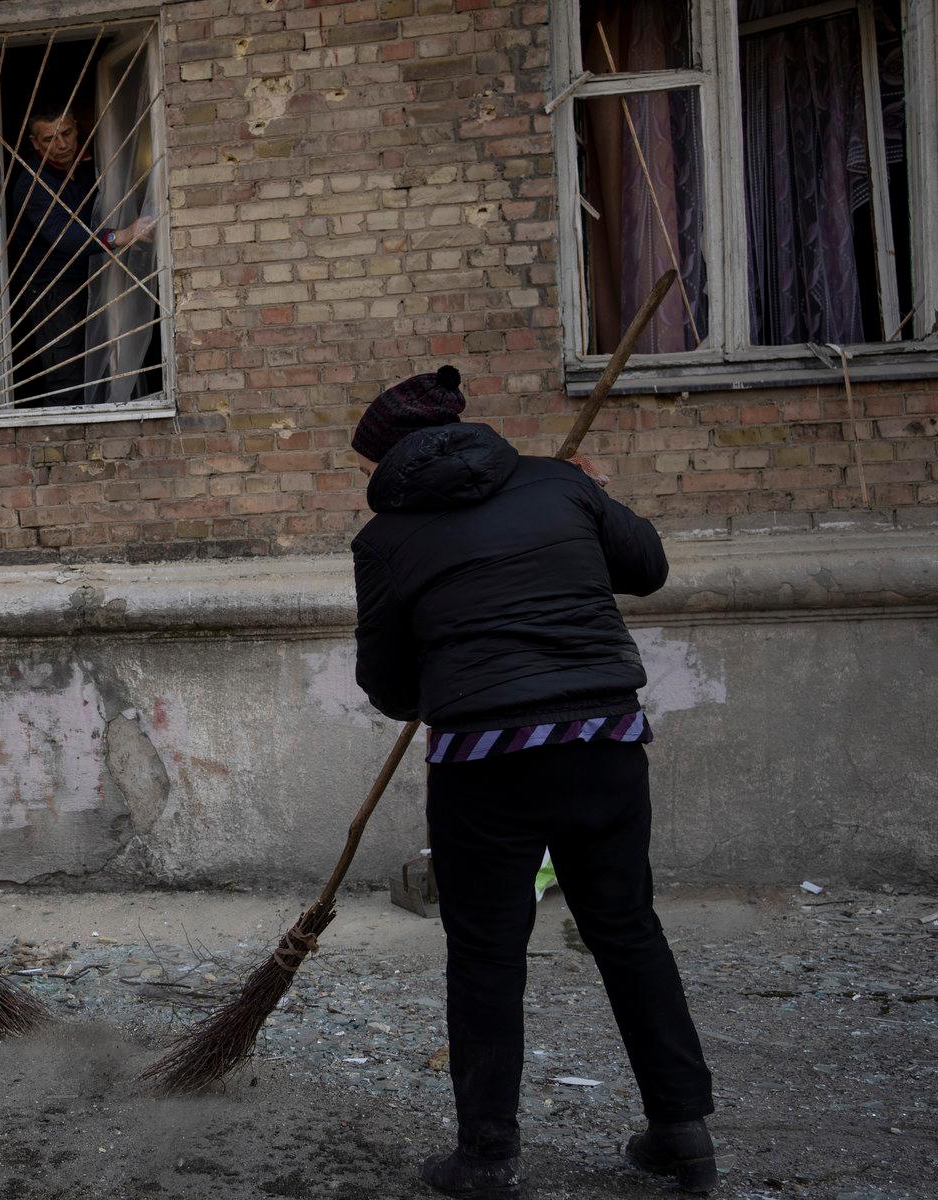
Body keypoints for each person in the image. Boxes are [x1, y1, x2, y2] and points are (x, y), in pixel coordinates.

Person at [349, 367, 717, 1199]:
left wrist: (444, 687)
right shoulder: (557, 483)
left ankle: (485, 1158)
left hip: (484, 761)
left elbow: (386, 685)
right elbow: (646, 566)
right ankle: (682, 1132)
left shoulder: (384, 541)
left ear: (383, 460)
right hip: (602, 739)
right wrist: (595, 500)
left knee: (484, 953)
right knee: (626, 929)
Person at [6, 108, 156, 407]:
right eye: (50, 139)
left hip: (99, 273)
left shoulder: (96, 163)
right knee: (67, 376)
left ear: (78, 128)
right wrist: (121, 236)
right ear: (35, 144)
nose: (62, 145)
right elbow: (63, 234)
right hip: (53, 287)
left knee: (116, 358)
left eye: (67, 133)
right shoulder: (31, 182)